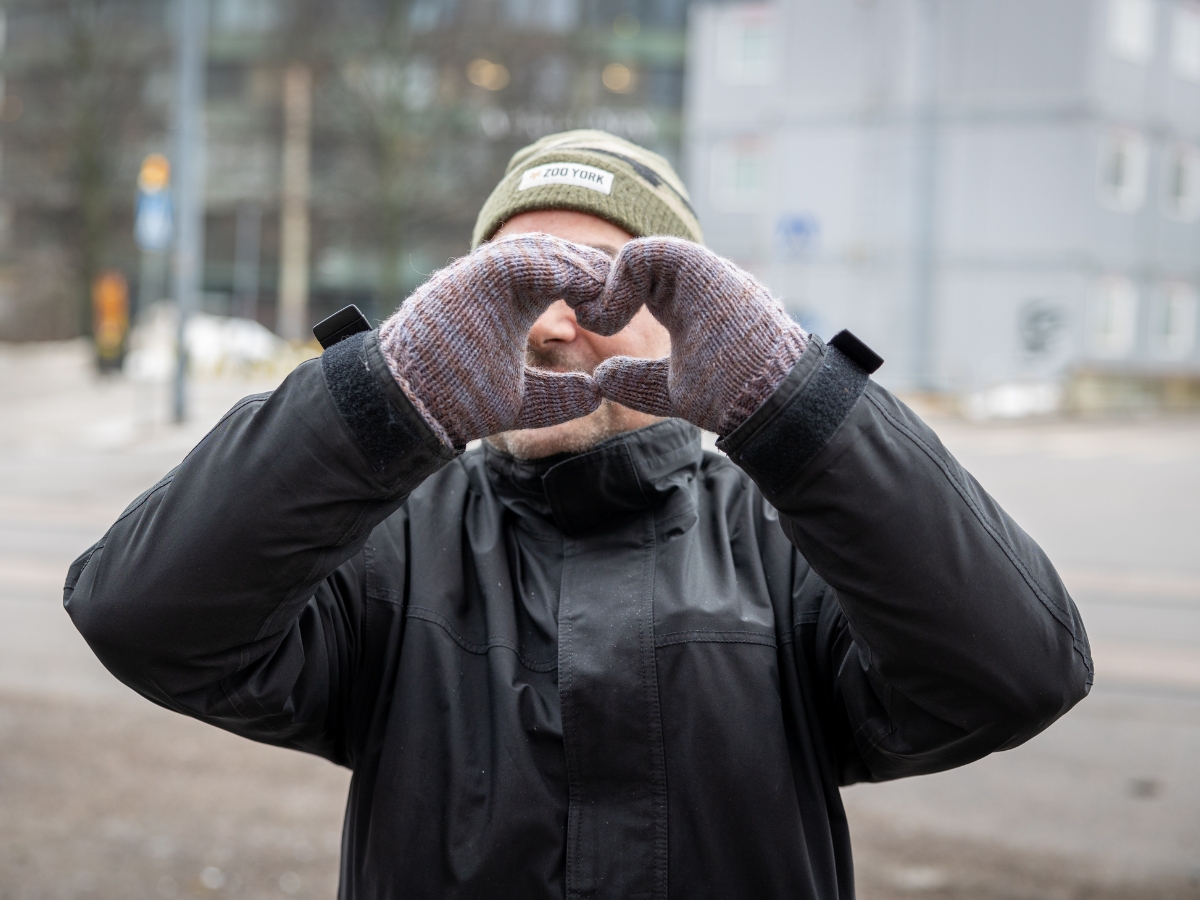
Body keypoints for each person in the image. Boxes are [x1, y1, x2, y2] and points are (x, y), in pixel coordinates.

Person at [65, 130, 1092, 899]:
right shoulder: (390, 545)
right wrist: (381, 398)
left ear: (687, 324)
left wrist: (797, 402)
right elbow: (144, 618)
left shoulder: (789, 546)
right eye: (510, 286)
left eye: (598, 287)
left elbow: (1015, 674)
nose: (550, 326)